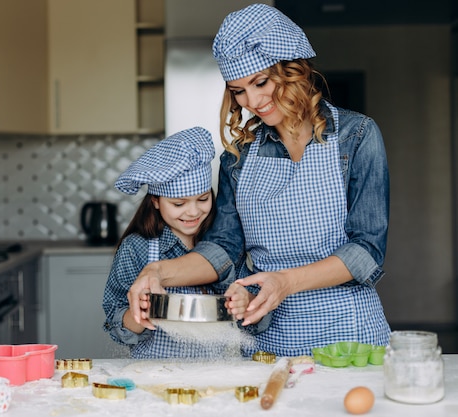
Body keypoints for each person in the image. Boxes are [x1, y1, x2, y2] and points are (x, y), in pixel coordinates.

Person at [126, 3, 392, 357]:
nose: (252, 101)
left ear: (292, 68)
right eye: (238, 90)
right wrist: (158, 271)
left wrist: (284, 282)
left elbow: (367, 251)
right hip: (272, 341)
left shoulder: (356, 136)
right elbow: (222, 249)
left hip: (351, 335)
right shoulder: (239, 157)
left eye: (261, 82)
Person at [102, 126, 267, 359]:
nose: (193, 212)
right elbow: (117, 327)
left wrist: (246, 302)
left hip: (218, 375)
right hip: (157, 376)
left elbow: (254, 317)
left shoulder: (225, 245)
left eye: (203, 199)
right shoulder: (136, 248)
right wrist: (140, 313)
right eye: (179, 204)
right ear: (156, 202)